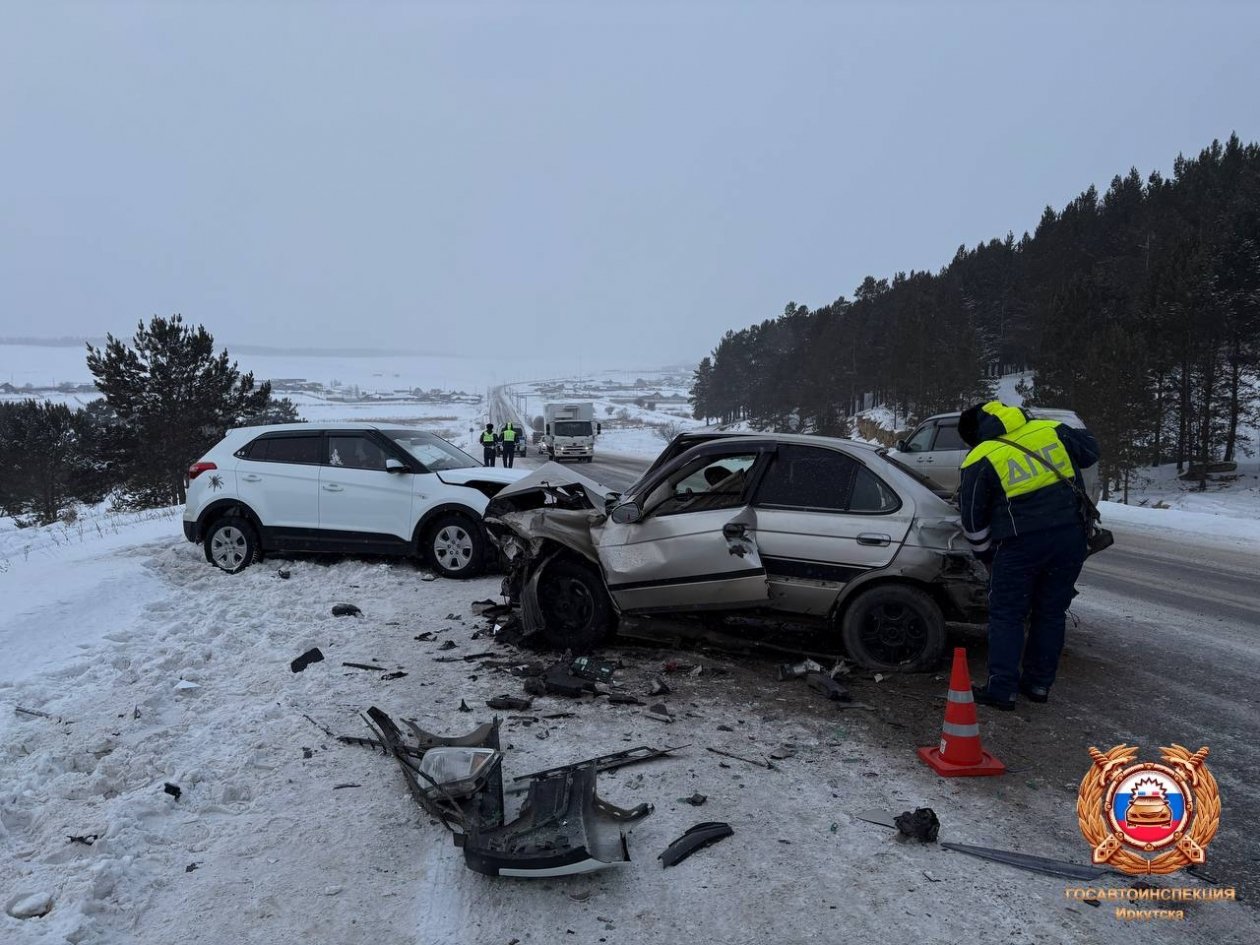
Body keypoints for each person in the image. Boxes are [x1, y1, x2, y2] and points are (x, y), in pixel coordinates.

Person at [957, 401, 1100, 710]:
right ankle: (1037, 685)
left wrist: (985, 555)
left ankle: (1002, 690)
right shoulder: (1050, 430)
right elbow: (1091, 451)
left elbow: (971, 517)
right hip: (1069, 537)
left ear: (976, 432)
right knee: (1050, 612)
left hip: (1019, 544)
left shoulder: (982, 456)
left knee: (1007, 614)